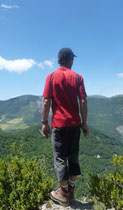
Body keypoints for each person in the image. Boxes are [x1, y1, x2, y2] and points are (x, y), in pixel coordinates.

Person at [41, 48, 89, 207]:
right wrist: (84, 123)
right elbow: (83, 101)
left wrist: (44, 123)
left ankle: (63, 194)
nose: (73, 62)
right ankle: (71, 192)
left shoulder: (51, 77)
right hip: (75, 125)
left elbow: (46, 101)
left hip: (59, 125)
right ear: (69, 59)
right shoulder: (78, 77)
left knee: (60, 158)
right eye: (72, 59)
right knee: (73, 157)